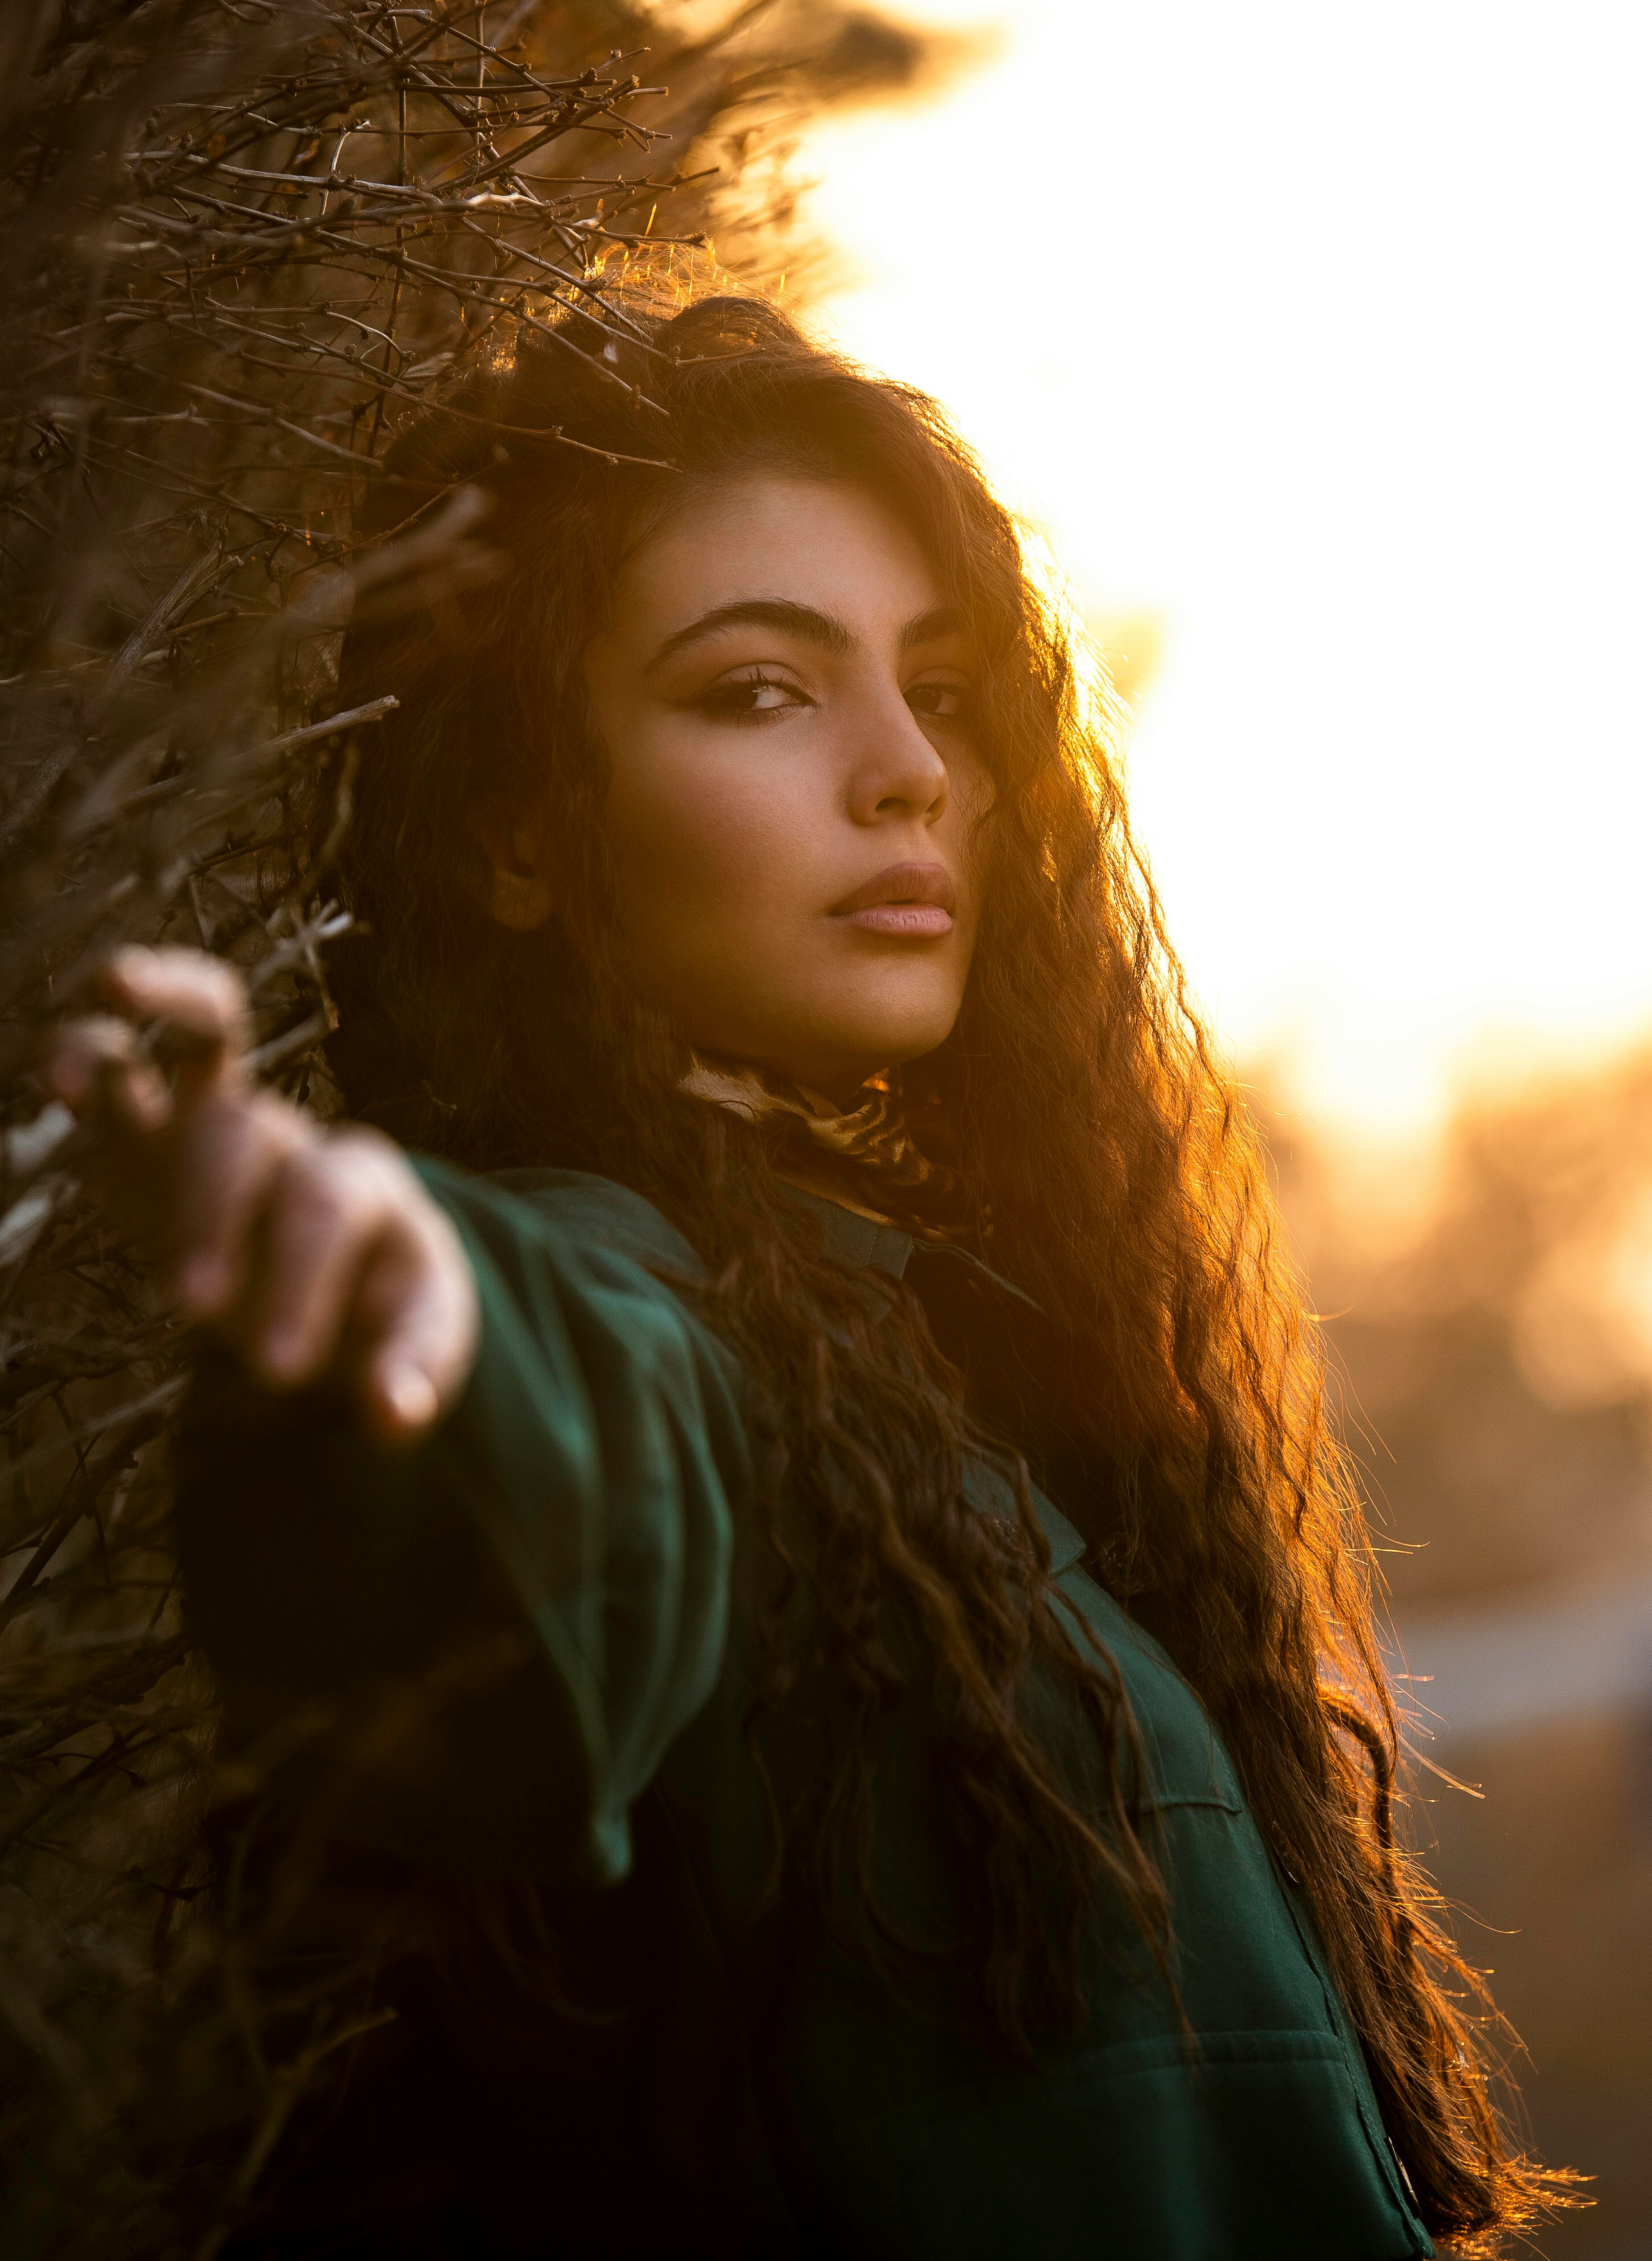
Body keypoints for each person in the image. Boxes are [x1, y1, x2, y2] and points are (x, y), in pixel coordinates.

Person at [49, 292, 1550, 2257]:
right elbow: (558, 1427)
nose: (909, 770)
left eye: (943, 689)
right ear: (516, 825)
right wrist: (393, 1313)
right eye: (760, 689)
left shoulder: (959, 1365)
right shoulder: (627, 1299)